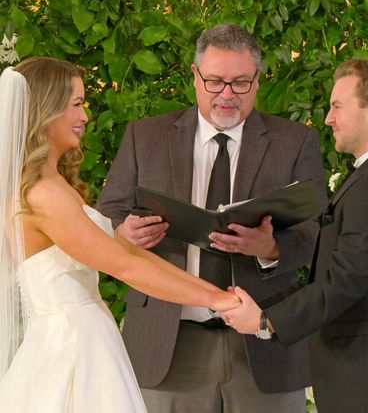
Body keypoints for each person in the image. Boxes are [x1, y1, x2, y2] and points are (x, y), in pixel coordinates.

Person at [99, 23, 327, 413]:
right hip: (167, 344)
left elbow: (318, 232)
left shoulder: (295, 141)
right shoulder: (145, 136)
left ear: (257, 81)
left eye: (239, 83)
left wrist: (271, 247)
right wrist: (124, 233)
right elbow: (109, 215)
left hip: (263, 340)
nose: (226, 95)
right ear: (195, 76)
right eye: (215, 81)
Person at [0, 57, 240, 413]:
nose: (84, 117)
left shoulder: (52, 186)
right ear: (46, 110)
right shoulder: (43, 194)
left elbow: (133, 256)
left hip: (86, 338)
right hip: (72, 350)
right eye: (77, 105)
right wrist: (218, 301)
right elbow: (125, 267)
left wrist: (219, 295)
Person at [222, 58, 368, 413]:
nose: (328, 119)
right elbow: (329, 275)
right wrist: (263, 306)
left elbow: (344, 281)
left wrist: (266, 322)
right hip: (358, 372)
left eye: (337, 106)